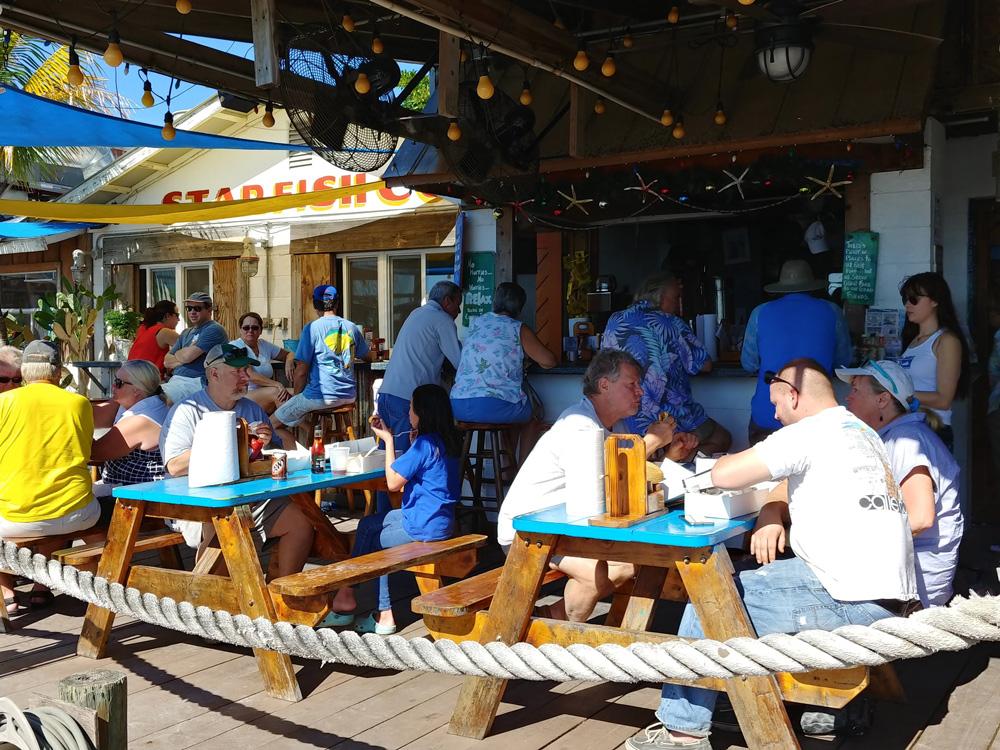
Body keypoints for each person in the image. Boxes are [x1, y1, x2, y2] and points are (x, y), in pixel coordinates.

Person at [626, 358, 916, 750]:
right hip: (888, 597)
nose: (775, 415)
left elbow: (725, 475)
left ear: (793, 395)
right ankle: (723, 697)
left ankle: (682, 734)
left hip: (849, 601)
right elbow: (787, 484)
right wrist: (772, 511)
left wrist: (707, 465)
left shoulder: (810, 431)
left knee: (709, 600)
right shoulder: (860, 432)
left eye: (777, 404)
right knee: (744, 580)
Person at [498, 349, 697, 623]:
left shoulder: (616, 426)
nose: (640, 392)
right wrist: (651, 441)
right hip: (529, 531)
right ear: (604, 384)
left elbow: (626, 481)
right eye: (632, 384)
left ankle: (551, 619)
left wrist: (670, 456)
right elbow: (602, 481)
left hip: (570, 527)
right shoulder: (578, 424)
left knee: (632, 562)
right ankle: (558, 630)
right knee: (603, 573)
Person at [160, 343, 315, 578]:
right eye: (237, 371)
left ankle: (280, 593)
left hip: (249, 498)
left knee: (300, 523)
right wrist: (228, 441)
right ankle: (210, 595)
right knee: (224, 527)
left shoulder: (251, 409)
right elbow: (175, 466)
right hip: (197, 503)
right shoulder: (187, 411)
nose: (246, 377)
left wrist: (264, 445)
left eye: (246, 370)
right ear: (214, 374)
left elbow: (272, 457)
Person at [326, 384, 462, 634]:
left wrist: (387, 440)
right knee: (367, 524)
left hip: (421, 526)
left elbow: (392, 484)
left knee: (378, 543)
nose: (408, 412)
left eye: (411, 407)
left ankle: (383, 614)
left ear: (422, 412)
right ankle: (346, 593)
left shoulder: (424, 444)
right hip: (440, 521)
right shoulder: (448, 440)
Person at [840, 359, 963, 607]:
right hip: (900, 575)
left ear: (882, 400)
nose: (847, 398)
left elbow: (920, 518)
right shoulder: (893, 436)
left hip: (917, 589)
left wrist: (850, 543)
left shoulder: (906, 440)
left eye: (855, 390)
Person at [0, 341, 101, 615]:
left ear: (25, 372)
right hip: (76, 514)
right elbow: (87, 451)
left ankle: (7, 593)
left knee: (30, 508)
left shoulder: (3, 403)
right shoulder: (79, 403)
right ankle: (42, 585)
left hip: (13, 519)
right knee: (60, 505)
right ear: (57, 372)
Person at [602, 272, 729, 458]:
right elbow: (704, 365)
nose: (678, 304)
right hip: (667, 418)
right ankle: (675, 464)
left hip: (625, 415)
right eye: (676, 298)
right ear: (660, 297)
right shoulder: (671, 323)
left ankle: (669, 460)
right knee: (722, 437)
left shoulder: (615, 319)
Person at [741, 259, 852, 445]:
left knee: (765, 464)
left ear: (781, 286)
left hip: (769, 411)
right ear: (811, 285)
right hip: (816, 416)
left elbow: (749, 363)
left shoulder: (760, 312)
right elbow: (843, 361)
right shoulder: (832, 311)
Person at [451, 282, 557, 452]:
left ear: (495, 302)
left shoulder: (477, 323)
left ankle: (506, 465)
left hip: (458, 404)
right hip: (490, 406)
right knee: (533, 415)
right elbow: (549, 361)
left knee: (512, 410)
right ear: (520, 308)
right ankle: (522, 468)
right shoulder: (517, 328)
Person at [272, 286, 370, 449]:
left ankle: (303, 456)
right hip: (348, 396)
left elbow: (301, 371)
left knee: (271, 425)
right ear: (337, 303)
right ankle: (321, 435)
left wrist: (296, 396)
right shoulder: (351, 327)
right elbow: (367, 356)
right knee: (297, 411)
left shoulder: (312, 328)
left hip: (320, 397)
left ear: (315, 305)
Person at [377, 280, 462, 455]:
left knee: (387, 456)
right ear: (447, 301)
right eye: (457, 304)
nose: (459, 311)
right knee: (405, 457)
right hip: (407, 399)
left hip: (386, 394)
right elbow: (461, 362)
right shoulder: (443, 320)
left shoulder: (416, 313)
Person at [897, 272, 969, 450]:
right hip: (908, 424)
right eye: (905, 299)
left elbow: (944, 399)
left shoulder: (946, 341)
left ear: (935, 301)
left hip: (933, 428)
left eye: (914, 299)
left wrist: (899, 393)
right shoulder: (912, 341)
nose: (907, 304)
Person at [91, 359, 171, 516]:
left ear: (137, 390)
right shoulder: (137, 402)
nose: (113, 386)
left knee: (69, 506)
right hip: (125, 488)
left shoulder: (142, 419)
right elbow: (90, 416)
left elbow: (95, 452)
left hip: (140, 499)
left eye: (118, 383)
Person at [162, 292, 229, 404]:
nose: (192, 312)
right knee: (144, 394)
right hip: (177, 380)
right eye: (189, 308)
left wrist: (180, 355)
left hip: (197, 382)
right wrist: (184, 357)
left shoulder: (214, 329)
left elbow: (187, 357)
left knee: (159, 400)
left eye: (197, 308)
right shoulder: (186, 332)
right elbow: (166, 362)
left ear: (209, 310)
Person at [230, 312, 295, 415]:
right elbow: (250, 375)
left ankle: (277, 423)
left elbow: (289, 353)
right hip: (243, 395)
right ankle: (284, 422)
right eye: (246, 328)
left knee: (297, 393)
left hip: (267, 392)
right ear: (240, 330)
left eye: (255, 328)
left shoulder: (263, 344)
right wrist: (277, 384)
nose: (250, 331)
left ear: (260, 330)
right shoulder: (234, 347)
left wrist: (289, 361)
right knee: (279, 393)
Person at [128, 300, 180, 375]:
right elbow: (189, 348)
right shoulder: (164, 332)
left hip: (131, 374)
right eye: (177, 315)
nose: (179, 319)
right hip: (147, 378)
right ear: (167, 316)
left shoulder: (143, 327)